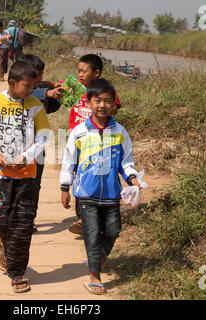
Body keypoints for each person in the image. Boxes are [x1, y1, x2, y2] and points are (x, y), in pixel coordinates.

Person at [60, 79, 141, 295]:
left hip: (112, 195)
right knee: (93, 235)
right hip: (86, 194)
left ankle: (99, 257)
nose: (102, 105)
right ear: (88, 103)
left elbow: (126, 162)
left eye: (107, 101)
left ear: (114, 105)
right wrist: (64, 187)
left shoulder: (120, 132)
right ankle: (95, 276)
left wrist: (133, 179)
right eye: (98, 101)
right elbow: (70, 161)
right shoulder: (79, 132)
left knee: (114, 230)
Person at [0, 61, 50, 293]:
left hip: (27, 175)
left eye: (33, 85)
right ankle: (4, 244)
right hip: (1, 174)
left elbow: (44, 136)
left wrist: (28, 156)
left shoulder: (36, 104)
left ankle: (17, 272)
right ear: (12, 83)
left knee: (23, 224)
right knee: (1, 223)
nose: (30, 90)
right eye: (27, 86)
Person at [65, 54, 122, 235]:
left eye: (84, 71)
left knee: (97, 174)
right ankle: (82, 218)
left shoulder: (104, 92)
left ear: (96, 73)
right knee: (79, 176)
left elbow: (115, 107)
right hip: (78, 139)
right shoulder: (74, 89)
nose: (80, 74)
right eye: (79, 71)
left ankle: (92, 217)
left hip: (98, 140)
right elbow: (59, 95)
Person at [19, 54, 64, 232]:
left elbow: (50, 107)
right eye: (36, 76)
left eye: (41, 75)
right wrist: (47, 91)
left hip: (37, 147)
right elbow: (29, 93)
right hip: (18, 147)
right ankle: (18, 218)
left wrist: (57, 94)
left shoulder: (40, 91)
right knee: (19, 185)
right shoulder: (22, 93)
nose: (40, 79)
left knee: (34, 184)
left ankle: (29, 219)